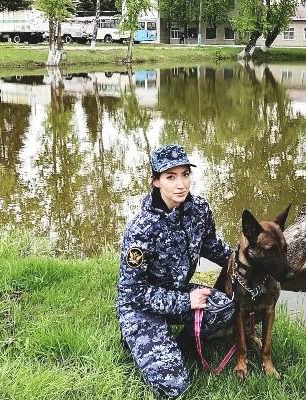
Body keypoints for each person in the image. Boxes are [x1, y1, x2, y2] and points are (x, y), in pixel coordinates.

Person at [116, 144, 235, 398]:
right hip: (142, 307)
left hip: (181, 289)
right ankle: (136, 336)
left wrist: (245, 258)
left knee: (224, 307)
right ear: (156, 181)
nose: (181, 184)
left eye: (185, 174)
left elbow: (212, 247)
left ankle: (180, 345)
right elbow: (132, 292)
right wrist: (186, 301)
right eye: (171, 177)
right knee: (174, 386)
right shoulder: (141, 230)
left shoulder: (199, 209)